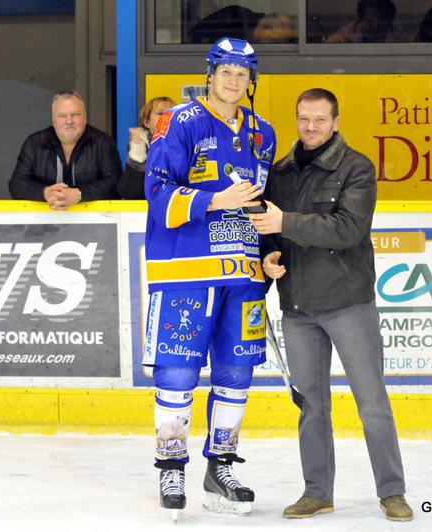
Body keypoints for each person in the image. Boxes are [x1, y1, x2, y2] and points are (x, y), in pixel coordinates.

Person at [248, 88, 412, 522]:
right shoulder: (280, 172)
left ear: (335, 122)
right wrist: (268, 256)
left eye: (320, 119)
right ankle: (317, 492)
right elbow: (270, 233)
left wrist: (286, 222)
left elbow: (348, 229)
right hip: (298, 306)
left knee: (371, 403)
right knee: (311, 405)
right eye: (304, 118)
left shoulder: (356, 167)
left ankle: (392, 492)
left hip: (347, 302)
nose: (311, 127)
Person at [142, 37, 276, 517]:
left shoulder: (263, 132)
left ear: (251, 80)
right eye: (227, 72)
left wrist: (272, 251)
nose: (234, 80)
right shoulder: (178, 120)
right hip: (187, 269)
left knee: (237, 371)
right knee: (178, 371)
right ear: (210, 74)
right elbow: (156, 189)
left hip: (243, 272)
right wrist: (215, 200)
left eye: (243, 74)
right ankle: (171, 467)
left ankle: (220, 466)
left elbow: (266, 204)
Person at [9, 90, 121, 209]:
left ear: (85, 118)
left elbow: (116, 184)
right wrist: (45, 193)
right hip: (44, 219)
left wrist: (79, 195)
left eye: (75, 114)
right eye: (62, 116)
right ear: (53, 121)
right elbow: (16, 184)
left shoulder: (103, 143)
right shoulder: (34, 143)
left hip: (94, 220)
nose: (69, 121)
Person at [117, 96, 176, 199]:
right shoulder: (140, 145)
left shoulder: (188, 144)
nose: (167, 117)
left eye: (172, 113)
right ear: (147, 122)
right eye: (160, 113)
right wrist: (137, 157)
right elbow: (130, 193)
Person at [325, 0, 397, 43]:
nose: (375, 28)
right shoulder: (340, 38)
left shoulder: (396, 40)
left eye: (381, 24)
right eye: (370, 22)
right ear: (360, 21)